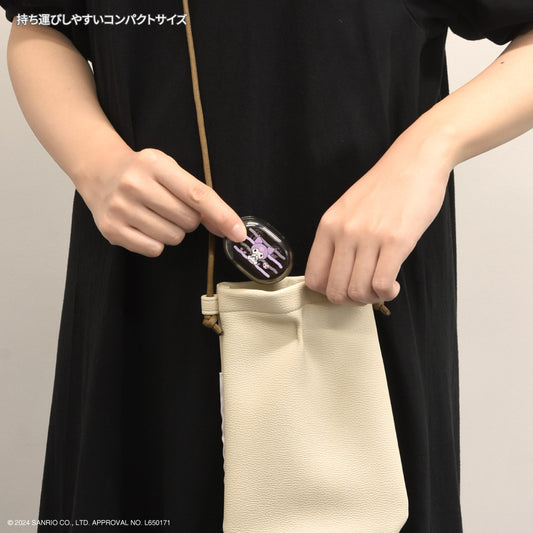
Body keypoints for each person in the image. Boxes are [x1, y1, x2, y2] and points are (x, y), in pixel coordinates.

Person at [2, 1, 533, 531]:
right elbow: (43, 22)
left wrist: (429, 150)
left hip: (359, 291)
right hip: (146, 286)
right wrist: (95, 162)